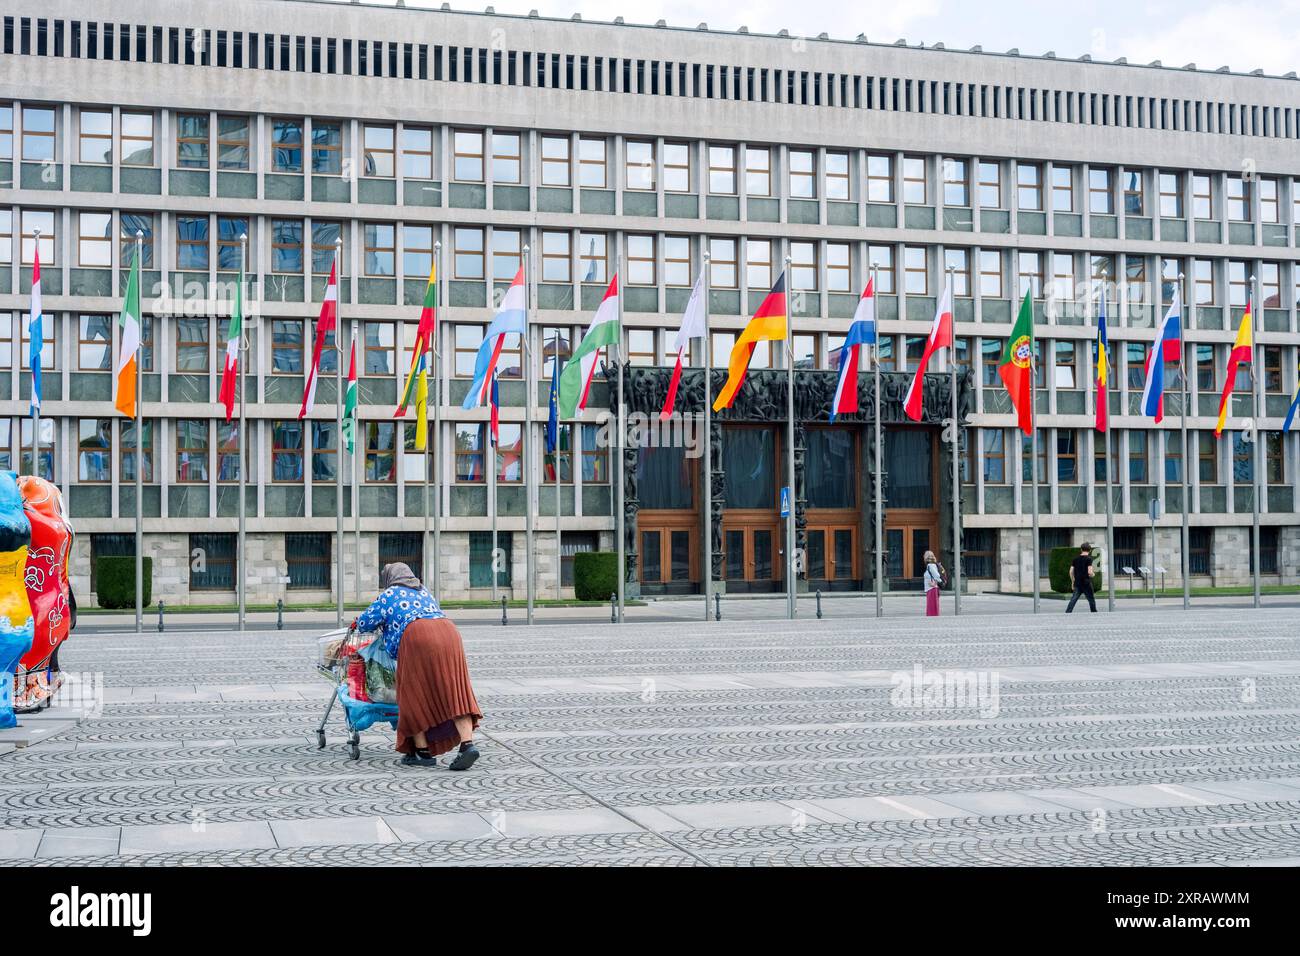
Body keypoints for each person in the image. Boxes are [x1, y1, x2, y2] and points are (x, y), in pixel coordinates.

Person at [353, 563, 483, 769]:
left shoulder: (389, 594)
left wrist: (357, 622)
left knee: (413, 694)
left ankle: (422, 753)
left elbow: (365, 623)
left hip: (417, 636)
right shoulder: (423, 591)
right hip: (449, 633)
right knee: (455, 691)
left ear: (389, 578)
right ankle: (468, 745)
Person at [1066, 543, 1098, 613]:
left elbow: (1071, 571)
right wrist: (1093, 574)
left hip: (1077, 583)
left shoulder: (1075, 559)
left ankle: (1068, 612)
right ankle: (1094, 612)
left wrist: (1073, 581)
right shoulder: (1089, 559)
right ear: (1089, 550)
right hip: (1086, 583)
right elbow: (1090, 572)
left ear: (1081, 549)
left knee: (1073, 599)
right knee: (1091, 599)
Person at [922, 550, 944, 617]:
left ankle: (932, 619)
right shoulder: (932, 565)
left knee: (931, 606)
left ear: (926, 557)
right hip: (931, 589)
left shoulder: (930, 565)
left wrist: (936, 583)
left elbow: (937, 575)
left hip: (932, 589)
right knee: (933, 606)